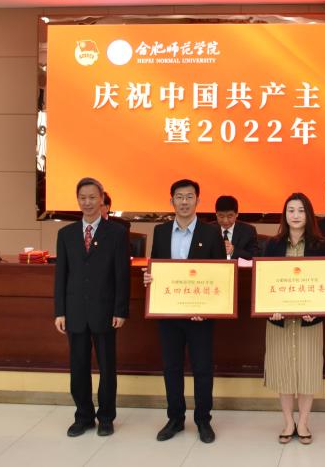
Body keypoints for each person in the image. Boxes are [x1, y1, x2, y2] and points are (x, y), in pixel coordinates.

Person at [143, 179, 224, 443]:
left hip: (200, 315)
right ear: (172, 201)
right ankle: (175, 418)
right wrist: (149, 278)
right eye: (179, 197)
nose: (184, 202)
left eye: (190, 197)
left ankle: (203, 420)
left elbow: (220, 275)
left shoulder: (211, 233)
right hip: (168, 313)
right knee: (171, 367)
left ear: (198, 201)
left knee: (202, 369)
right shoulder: (161, 231)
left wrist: (209, 309)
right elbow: (157, 266)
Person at [53, 177, 130, 437]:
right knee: (78, 367)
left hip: (105, 311)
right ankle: (83, 416)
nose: (87, 202)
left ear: (102, 199)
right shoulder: (66, 234)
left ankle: (106, 417)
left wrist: (120, 310)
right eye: (82, 198)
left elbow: (121, 275)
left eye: (92, 197)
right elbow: (61, 276)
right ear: (78, 200)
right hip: (75, 311)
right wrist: (60, 311)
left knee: (107, 368)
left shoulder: (116, 233)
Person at [262, 192, 325, 445]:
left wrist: (318, 309)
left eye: (301, 210)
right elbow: (265, 282)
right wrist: (269, 307)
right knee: (283, 370)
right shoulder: (272, 245)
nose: (295, 215)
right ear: (285, 214)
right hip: (279, 319)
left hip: (309, 320)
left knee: (307, 370)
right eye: (291, 210)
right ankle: (288, 422)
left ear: (309, 214)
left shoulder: (320, 245)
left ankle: (302, 422)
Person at [214, 194, 259, 260]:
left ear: (237, 214)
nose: (225, 221)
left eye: (229, 216)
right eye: (221, 216)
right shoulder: (208, 229)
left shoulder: (249, 231)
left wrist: (233, 251)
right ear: (216, 214)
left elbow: (255, 256)